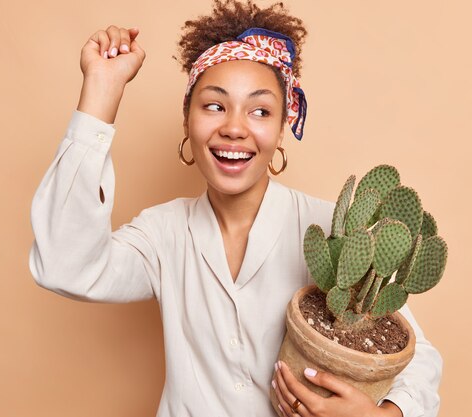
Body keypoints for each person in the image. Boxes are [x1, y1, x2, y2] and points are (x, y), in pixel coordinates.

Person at [28, 1, 442, 416]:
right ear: (187, 119)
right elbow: (65, 265)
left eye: (260, 110)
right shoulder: (162, 233)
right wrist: (102, 89)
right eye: (214, 105)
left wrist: (385, 415)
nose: (234, 127)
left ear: (283, 128)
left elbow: (413, 353)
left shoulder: (332, 231)